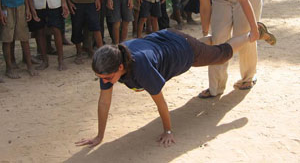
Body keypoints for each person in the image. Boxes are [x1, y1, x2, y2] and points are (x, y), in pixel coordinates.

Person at [75, 23, 276, 147]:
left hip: (184, 49)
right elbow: (104, 102)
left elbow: (160, 102)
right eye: (100, 77)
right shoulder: (113, 60)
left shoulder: (140, 67)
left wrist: (168, 131)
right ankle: (207, 44)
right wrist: (99, 136)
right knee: (206, 49)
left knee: (221, 55)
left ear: (120, 67)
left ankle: (254, 33)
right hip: (168, 40)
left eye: (107, 77)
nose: (104, 81)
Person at [182, 0, 276, 97]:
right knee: (218, 39)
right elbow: (205, 7)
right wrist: (205, 32)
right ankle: (216, 87)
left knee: (243, 34)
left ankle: (248, 78)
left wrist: (253, 28)